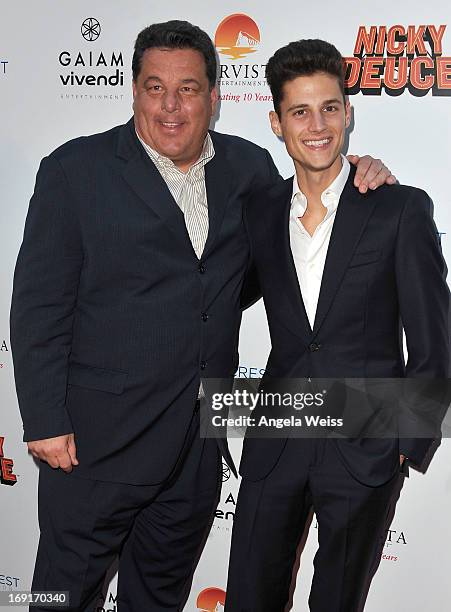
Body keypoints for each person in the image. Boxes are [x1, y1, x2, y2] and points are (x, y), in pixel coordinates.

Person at [10, 21, 395, 612]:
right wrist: (43, 419)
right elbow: (38, 304)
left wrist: (360, 176)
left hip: (194, 450)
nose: (170, 105)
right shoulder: (74, 171)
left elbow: (289, 250)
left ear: (214, 98)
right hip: (92, 445)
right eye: (154, 86)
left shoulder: (249, 171)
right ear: (134, 91)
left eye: (188, 88)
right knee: (61, 595)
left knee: (160, 596)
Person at [225, 39, 450, 611]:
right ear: (277, 122)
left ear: (349, 112)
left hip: (366, 445)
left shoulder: (399, 208)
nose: (318, 125)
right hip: (276, 437)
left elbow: (434, 342)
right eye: (300, 111)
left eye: (330, 107)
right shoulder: (258, 210)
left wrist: (405, 444)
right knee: (250, 597)